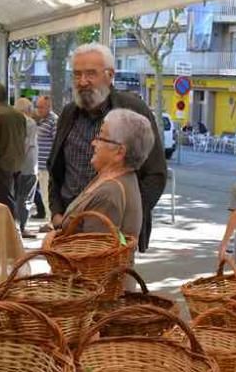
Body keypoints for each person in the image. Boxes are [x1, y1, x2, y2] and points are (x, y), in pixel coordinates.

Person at [46, 43, 166, 252]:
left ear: (110, 75)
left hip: (111, 237)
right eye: (77, 75)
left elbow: (156, 174)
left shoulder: (132, 110)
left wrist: (128, 219)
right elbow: (55, 169)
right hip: (67, 228)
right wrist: (57, 213)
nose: (82, 82)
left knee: (108, 280)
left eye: (90, 74)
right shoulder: (68, 113)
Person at [57, 108, 150, 239]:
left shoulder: (110, 193)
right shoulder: (111, 178)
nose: (93, 143)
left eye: (101, 137)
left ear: (119, 152)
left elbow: (93, 254)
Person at [0, 82, 27, 220]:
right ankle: (16, 226)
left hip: (1, 163)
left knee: (3, 201)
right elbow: (24, 140)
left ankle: (9, 231)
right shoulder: (19, 115)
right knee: (14, 197)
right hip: (18, 163)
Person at [14, 97, 40, 239]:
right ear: (28, 109)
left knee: (18, 195)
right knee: (26, 197)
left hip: (16, 165)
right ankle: (22, 227)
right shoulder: (30, 123)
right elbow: (27, 144)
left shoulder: (13, 122)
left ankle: (17, 226)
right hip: (28, 165)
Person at [33, 94, 59, 229]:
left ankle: (51, 222)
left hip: (47, 166)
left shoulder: (53, 121)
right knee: (44, 195)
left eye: (41, 107)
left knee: (48, 195)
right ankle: (49, 220)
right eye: (37, 107)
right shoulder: (42, 121)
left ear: (49, 107)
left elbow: (57, 143)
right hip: (40, 166)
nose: (38, 110)